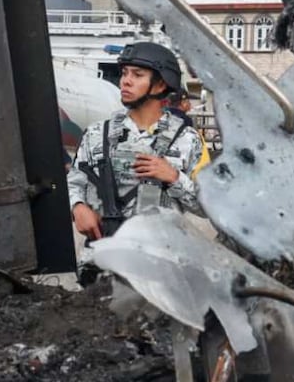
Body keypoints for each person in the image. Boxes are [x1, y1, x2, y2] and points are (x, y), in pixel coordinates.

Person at [67, 42, 203, 243]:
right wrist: (77, 207)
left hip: (162, 262)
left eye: (137, 75)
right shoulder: (96, 134)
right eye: (124, 73)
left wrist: (174, 177)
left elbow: (207, 208)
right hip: (102, 261)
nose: (125, 81)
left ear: (160, 84)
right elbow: (73, 183)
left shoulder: (188, 140)